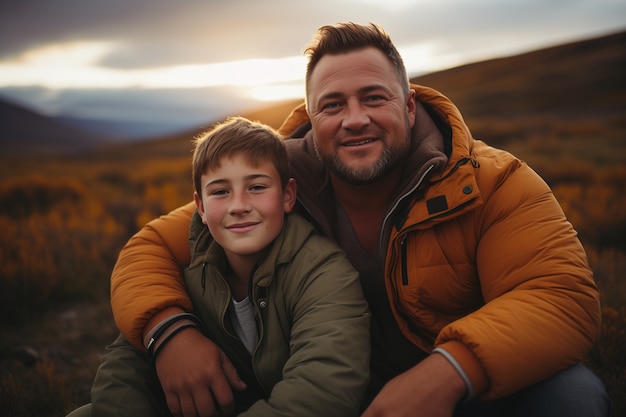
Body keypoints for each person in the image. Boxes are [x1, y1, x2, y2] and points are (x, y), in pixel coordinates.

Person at [98, 22, 610, 417]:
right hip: (315, 394)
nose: (355, 118)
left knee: (572, 395)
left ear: (409, 106)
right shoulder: (275, 185)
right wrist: (169, 333)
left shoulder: (495, 183)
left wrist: (449, 372)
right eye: (333, 105)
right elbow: (152, 249)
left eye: (374, 97)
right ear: (312, 119)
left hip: (457, 396)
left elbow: (561, 297)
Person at [67, 116, 370, 416]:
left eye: (257, 187)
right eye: (221, 191)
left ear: (287, 196)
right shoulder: (190, 270)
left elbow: (323, 387)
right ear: (200, 206)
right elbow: (124, 368)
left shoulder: (322, 271)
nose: (238, 206)